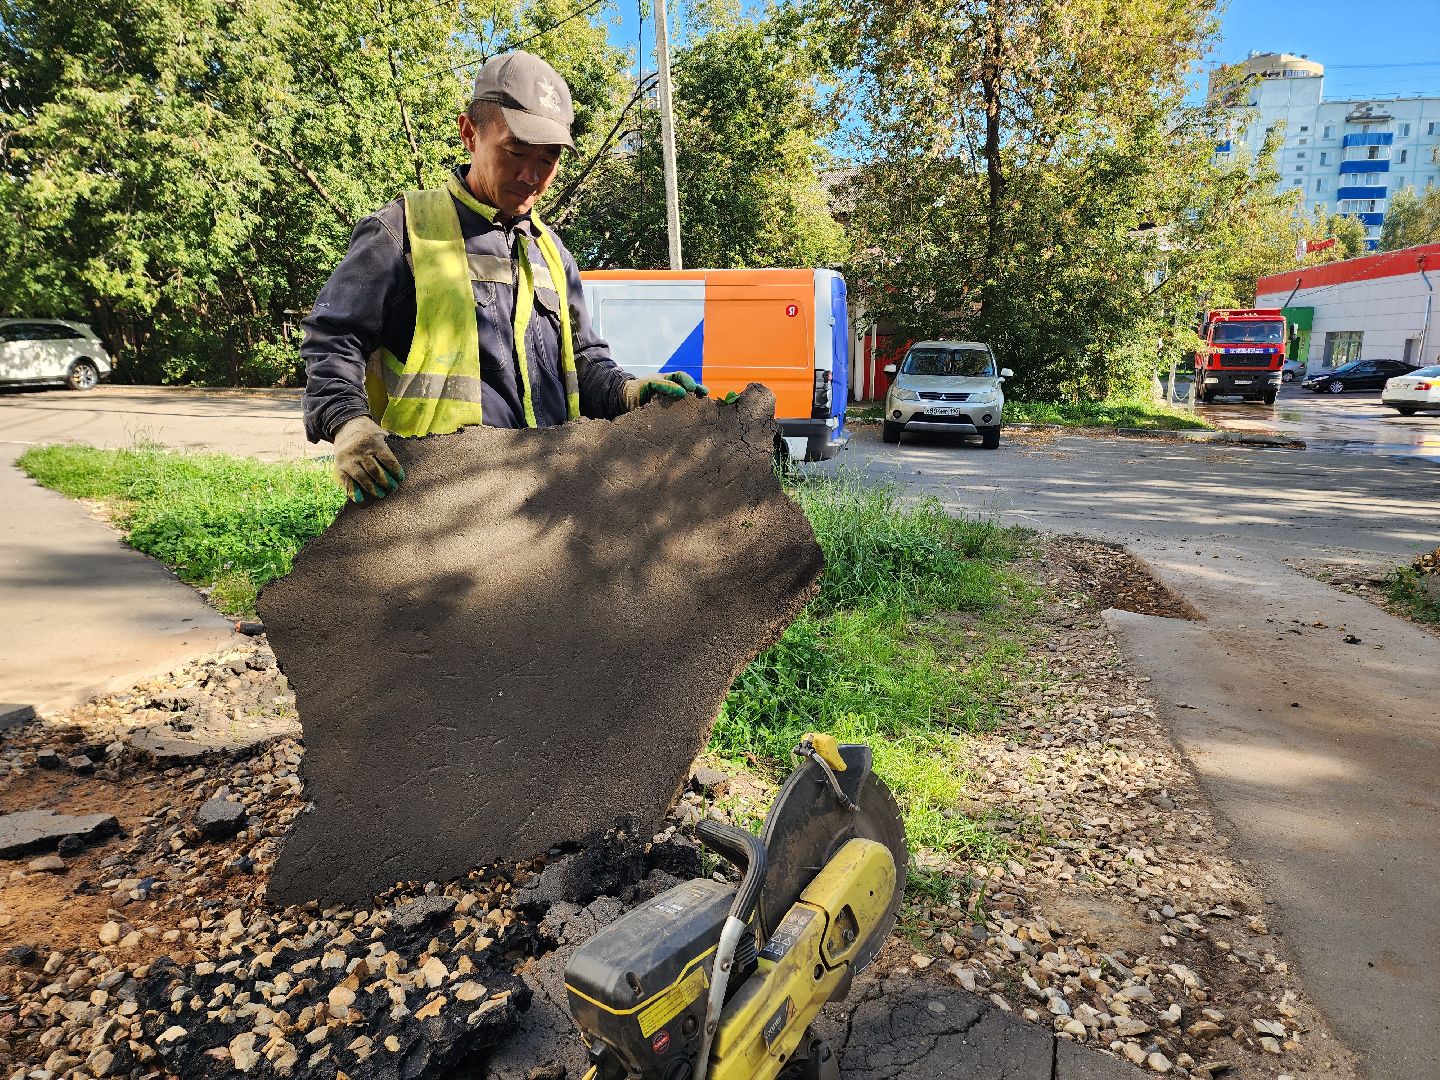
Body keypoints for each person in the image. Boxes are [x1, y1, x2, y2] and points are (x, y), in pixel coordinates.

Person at [300, 50, 706, 503]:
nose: (531, 175)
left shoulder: (553, 255)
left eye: (548, 159)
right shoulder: (404, 233)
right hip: (433, 507)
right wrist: (347, 423)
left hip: (546, 504)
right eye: (515, 151)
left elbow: (583, 365)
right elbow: (332, 339)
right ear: (469, 133)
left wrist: (629, 391)